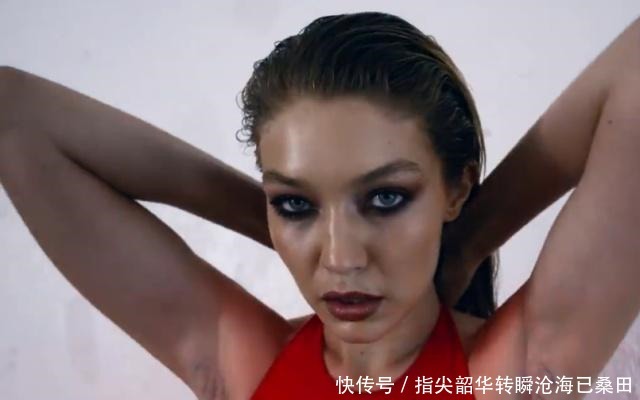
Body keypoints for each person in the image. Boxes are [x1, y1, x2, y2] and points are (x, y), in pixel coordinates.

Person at [0, 11, 638, 400]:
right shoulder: (247, 367)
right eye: (296, 204)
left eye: (385, 197)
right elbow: (13, 113)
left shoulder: (512, 375)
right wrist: (265, 214)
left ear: (455, 188)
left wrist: (472, 234)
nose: (341, 259)